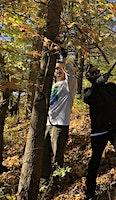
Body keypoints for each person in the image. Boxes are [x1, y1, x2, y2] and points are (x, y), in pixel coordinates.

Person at [83, 64, 116, 200]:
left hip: (114, 130)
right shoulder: (89, 91)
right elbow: (87, 98)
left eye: (98, 71)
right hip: (98, 133)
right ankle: (89, 193)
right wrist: (97, 85)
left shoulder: (111, 87)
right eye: (94, 72)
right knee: (95, 161)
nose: (98, 73)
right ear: (89, 77)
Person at [41, 50, 77, 180]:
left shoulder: (69, 86)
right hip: (47, 124)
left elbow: (71, 73)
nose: (58, 71)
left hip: (60, 125)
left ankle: (56, 180)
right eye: (56, 69)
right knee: (44, 154)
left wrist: (64, 58)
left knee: (57, 154)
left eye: (60, 69)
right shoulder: (52, 86)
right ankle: (45, 178)